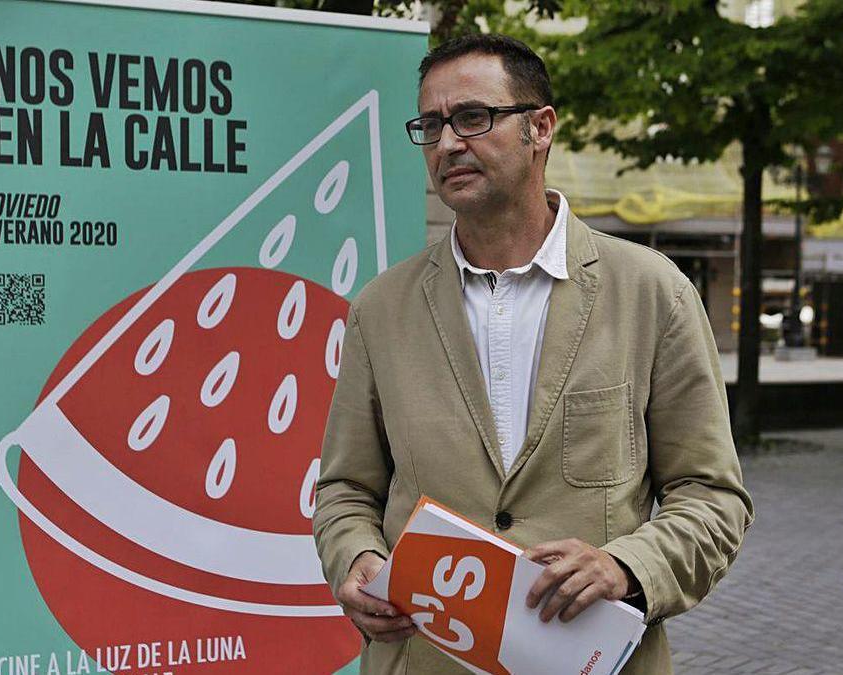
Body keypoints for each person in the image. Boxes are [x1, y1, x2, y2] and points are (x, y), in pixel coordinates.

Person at [312, 33, 753, 674]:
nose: (448, 144)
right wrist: (356, 560)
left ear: (540, 128)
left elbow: (713, 498)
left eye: (473, 117)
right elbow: (346, 489)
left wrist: (626, 566)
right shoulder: (381, 310)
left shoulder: (654, 293)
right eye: (431, 126)